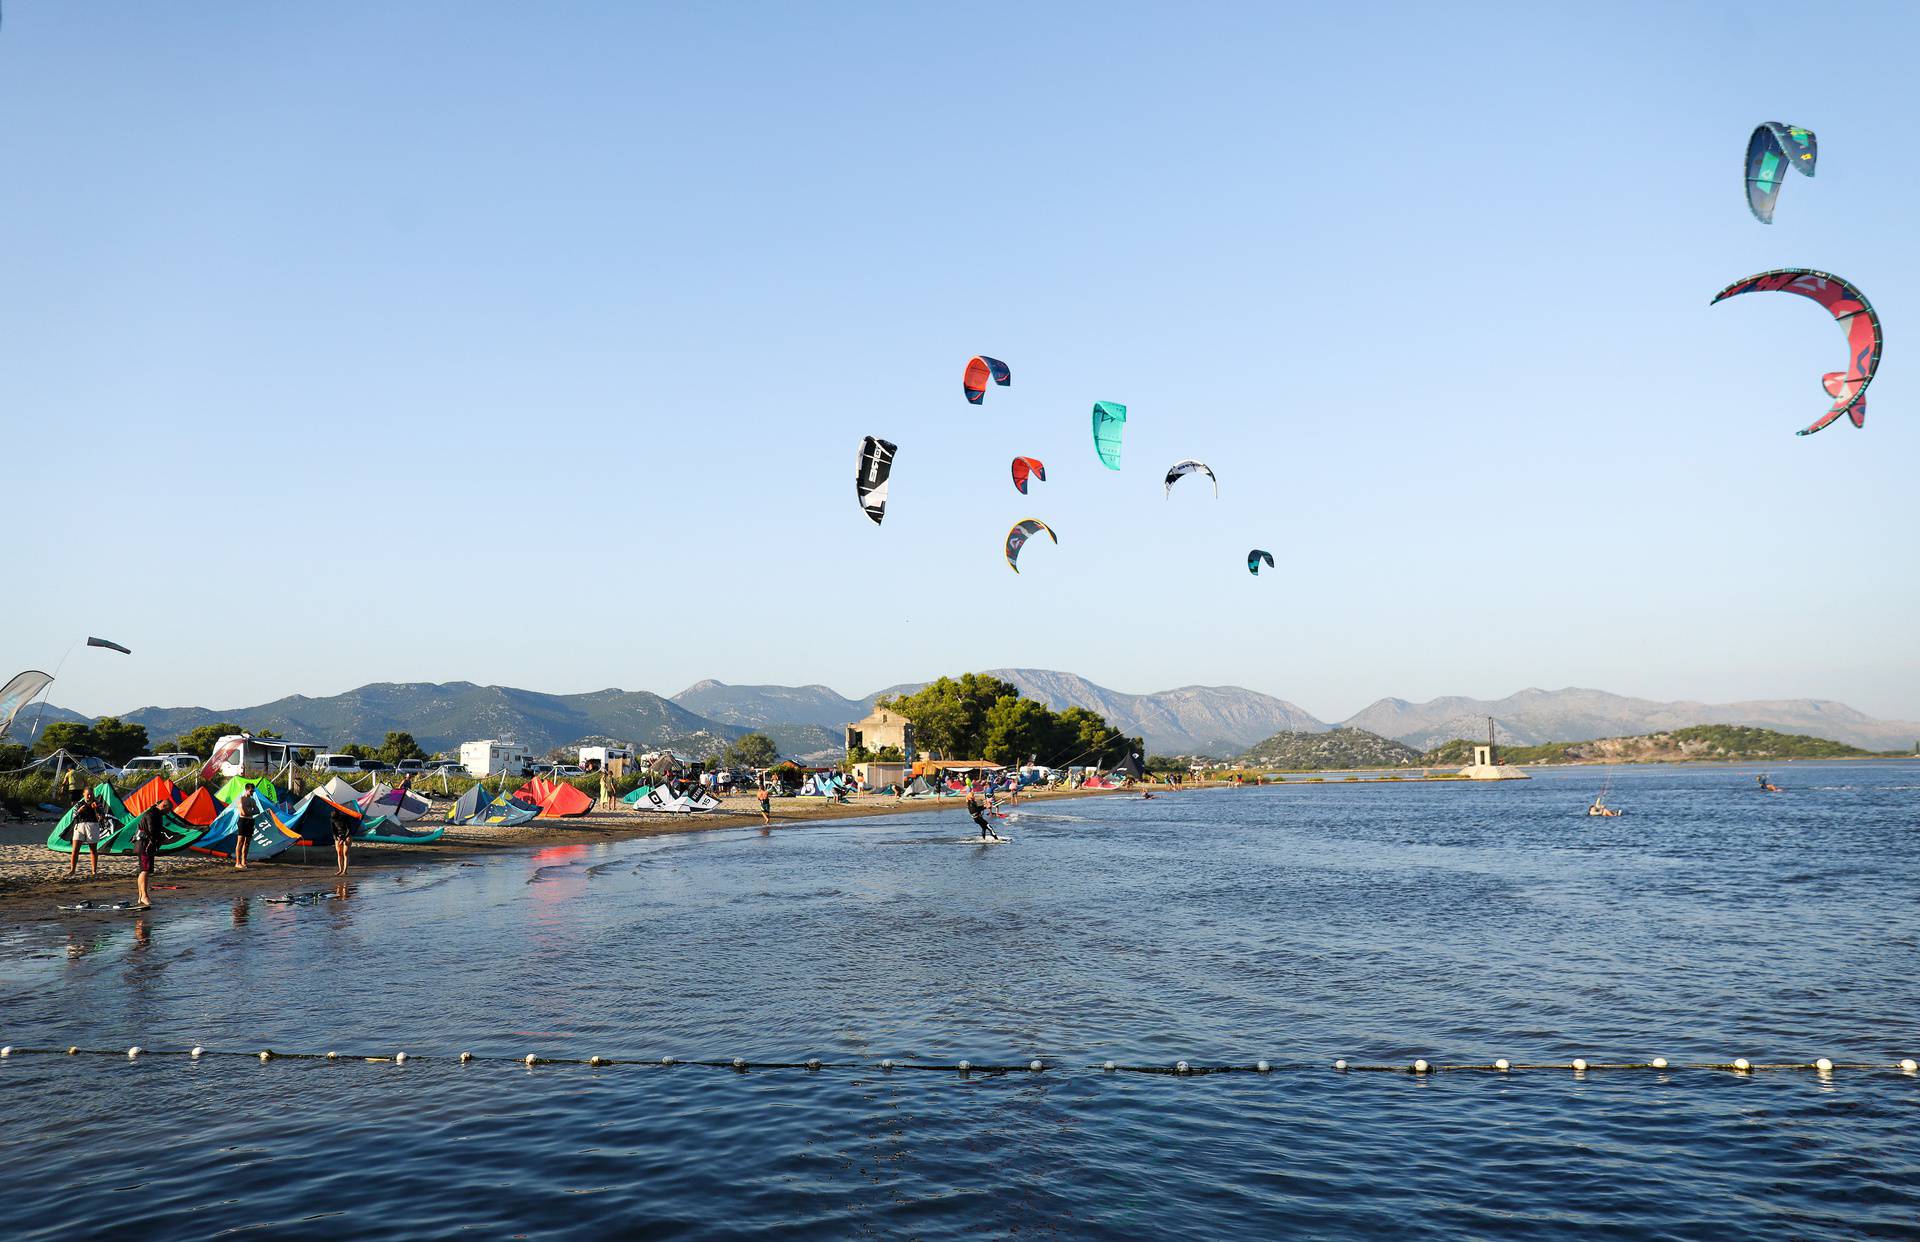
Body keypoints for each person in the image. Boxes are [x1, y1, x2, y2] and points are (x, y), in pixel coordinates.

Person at [132, 802, 166, 908]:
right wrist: (161, 837)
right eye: (168, 810)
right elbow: (152, 830)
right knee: (145, 870)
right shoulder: (152, 814)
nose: (168, 813)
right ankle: (144, 896)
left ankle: (141, 896)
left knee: (145, 870)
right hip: (144, 845)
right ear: (163, 806)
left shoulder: (156, 813)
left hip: (145, 845)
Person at [65, 787, 105, 878]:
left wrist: (96, 809)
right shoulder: (79, 804)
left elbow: (102, 817)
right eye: (88, 794)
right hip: (80, 826)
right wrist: (80, 810)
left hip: (92, 826)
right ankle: (72, 870)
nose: (90, 796)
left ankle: (94, 871)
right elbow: (73, 816)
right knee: (75, 850)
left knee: (93, 850)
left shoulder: (98, 804)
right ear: (84, 794)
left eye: (91, 794)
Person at [234, 786, 259, 870]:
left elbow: (257, 810)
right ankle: (237, 862)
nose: (252, 792)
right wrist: (251, 811)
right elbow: (243, 813)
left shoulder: (252, 800)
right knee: (240, 841)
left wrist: (249, 811)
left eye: (253, 791)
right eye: (251, 791)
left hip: (250, 821)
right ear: (246, 790)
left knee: (247, 842)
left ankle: (244, 861)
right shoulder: (241, 799)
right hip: (243, 821)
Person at [330, 799, 355, 876]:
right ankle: (340, 870)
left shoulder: (345, 818)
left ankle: (345, 871)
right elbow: (333, 830)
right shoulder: (332, 819)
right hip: (338, 836)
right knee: (339, 853)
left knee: (345, 853)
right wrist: (336, 837)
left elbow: (349, 829)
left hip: (347, 835)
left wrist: (344, 838)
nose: (335, 820)